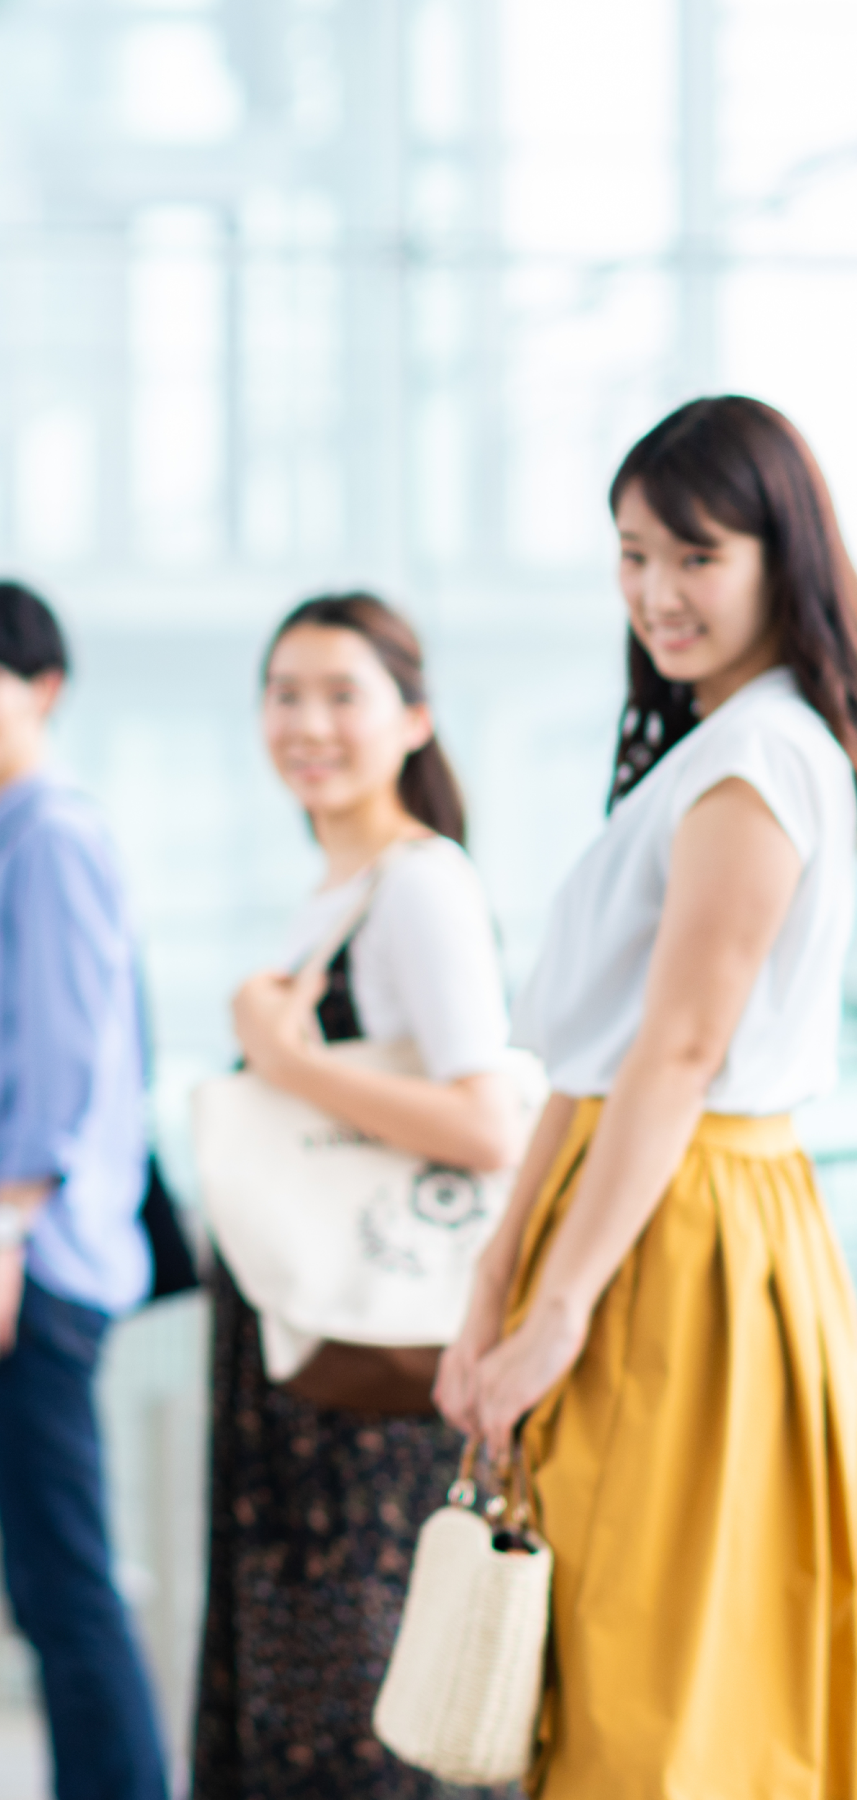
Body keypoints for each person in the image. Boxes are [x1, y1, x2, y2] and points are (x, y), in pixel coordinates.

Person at [440, 395, 857, 1796]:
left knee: (658, 1665)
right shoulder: (715, 749)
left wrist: (550, 1303)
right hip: (639, 1207)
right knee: (626, 1648)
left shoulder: (759, 763)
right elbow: (593, 1059)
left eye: (694, 556)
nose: (656, 594)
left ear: (775, 557)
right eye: (632, 556)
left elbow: (675, 1058)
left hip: (682, 1228)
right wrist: (498, 1272)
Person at [193, 594, 522, 1800]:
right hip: (312, 1366)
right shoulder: (339, 889)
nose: (308, 722)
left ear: (415, 719)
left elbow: (489, 1124)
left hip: (373, 1381)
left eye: (344, 694)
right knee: (310, 1689)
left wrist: (287, 1064)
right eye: (287, 693)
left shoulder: (420, 883)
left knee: (357, 1700)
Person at [0, 579, 165, 1800]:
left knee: (66, 1587)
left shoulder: (51, 836)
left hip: (37, 1258)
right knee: (50, 1585)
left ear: (44, 691)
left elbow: (66, 1066)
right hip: (20, 1260)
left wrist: (1, 1233)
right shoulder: (16, 836)